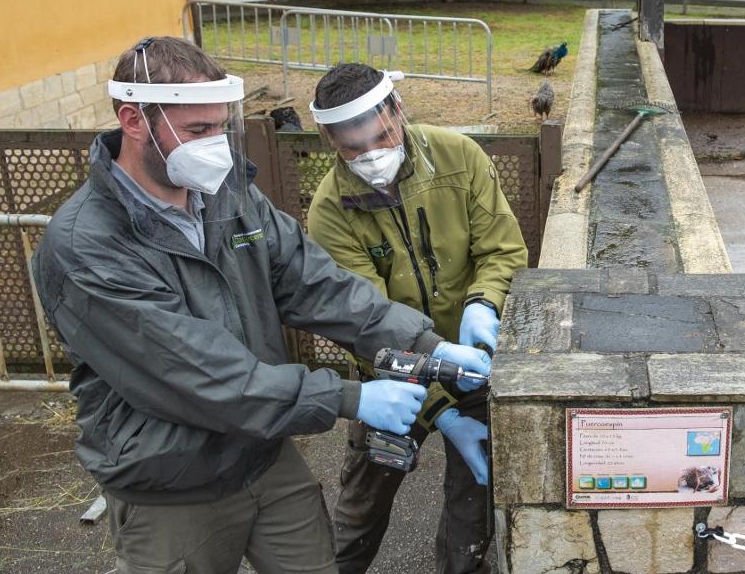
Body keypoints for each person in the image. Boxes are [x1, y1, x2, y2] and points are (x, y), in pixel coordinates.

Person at [32, 37, 491, 574]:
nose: (217, 146)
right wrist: (348, 397)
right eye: (198, 131)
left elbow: (319, 285)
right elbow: (198, 373)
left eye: (222, 127)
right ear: (134, 121)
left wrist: (430, 348)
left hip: (262, 453)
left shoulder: (228, 197)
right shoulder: (85, 247)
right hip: (170, 480)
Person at [305, 63, 528, 574]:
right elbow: (364, 321)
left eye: (382, 137)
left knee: (472, 513)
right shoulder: (331, 211)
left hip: (473, 367)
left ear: (398, 111)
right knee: (359, 513)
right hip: (390, 382)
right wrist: (438, 410)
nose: (372, 156)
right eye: (352, 148)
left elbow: (502, 249)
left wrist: (484, 302)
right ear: (329, 141)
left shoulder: (459, 158)